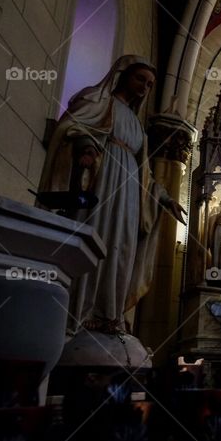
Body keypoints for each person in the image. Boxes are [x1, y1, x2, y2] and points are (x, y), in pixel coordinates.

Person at [40, 55, 186, 333]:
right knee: (98, 234)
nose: (145, 86)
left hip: (130, 190)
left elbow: (147, 175)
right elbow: (74, 127)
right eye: (140, 79)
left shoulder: (138, 127)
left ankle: (109, 313)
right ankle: (81, 312)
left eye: (151, 84)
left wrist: (166, 198)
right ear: (123, 75)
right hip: (103, 180)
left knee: (122, 246)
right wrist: (87, 147)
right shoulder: (99, 101)